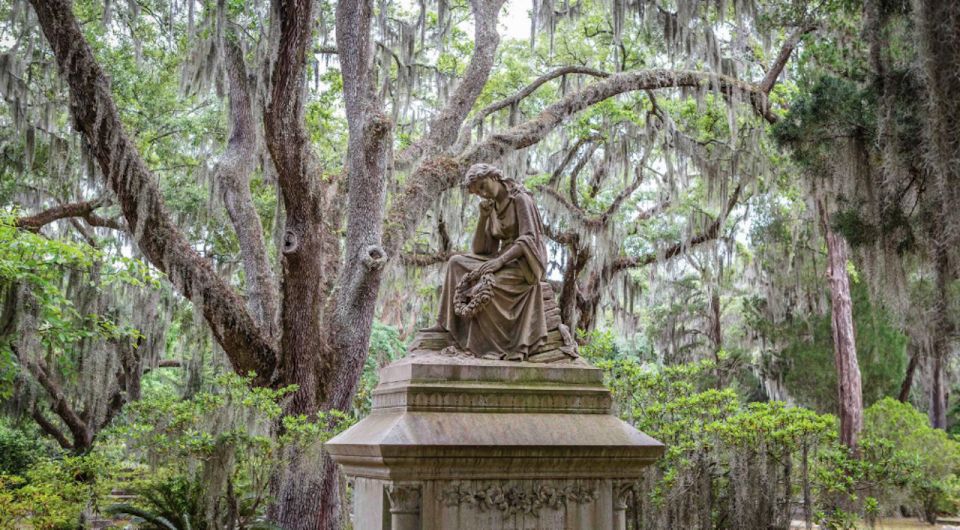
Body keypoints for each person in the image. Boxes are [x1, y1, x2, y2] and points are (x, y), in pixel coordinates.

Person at [422, 163, 549, 360]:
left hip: (522, 264)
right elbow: (482, 250)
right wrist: (483, 218)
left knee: (485, 286)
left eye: (482, 186)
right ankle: (445, 324)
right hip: (499, 259)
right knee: (456, 262)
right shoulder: (492, 206)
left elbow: (529, 239)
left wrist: (500, 262)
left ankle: (488, 346)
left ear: (493, 177)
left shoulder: (520, 198)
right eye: (477, 192)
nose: (482, 194)